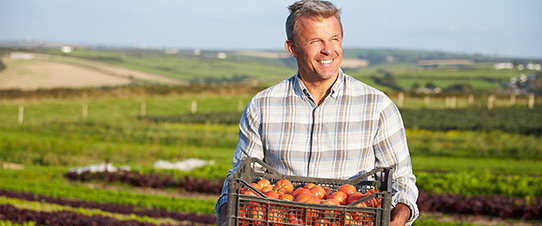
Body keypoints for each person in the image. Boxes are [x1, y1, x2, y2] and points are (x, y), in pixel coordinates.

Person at [215, 0, 419, 225]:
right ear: (292, 48)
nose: (328, 50)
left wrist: (398, 219)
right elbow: (239, 180)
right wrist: (227, 215)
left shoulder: (377, 106)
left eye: (334, 39)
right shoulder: (262, 106)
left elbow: (401, 181)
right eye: (315, 41)